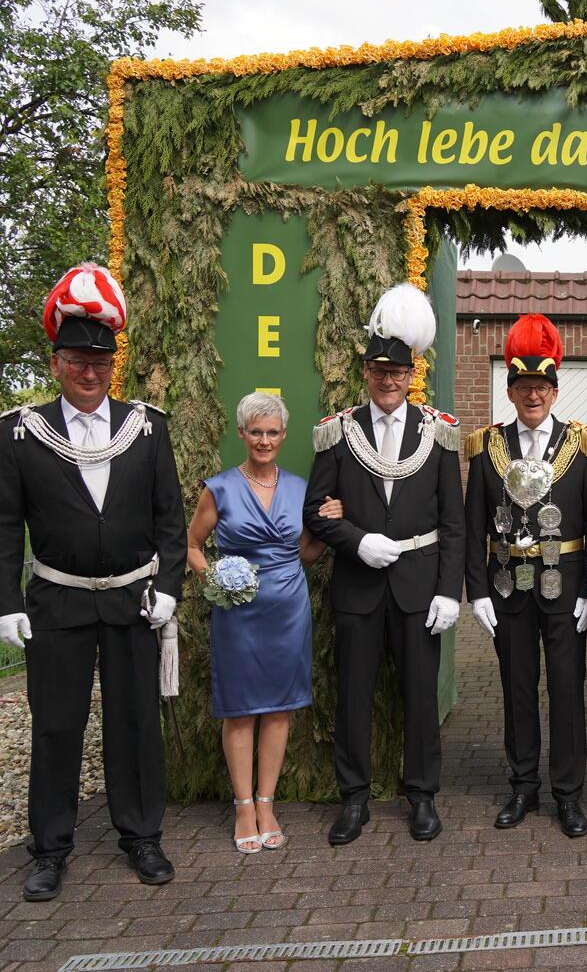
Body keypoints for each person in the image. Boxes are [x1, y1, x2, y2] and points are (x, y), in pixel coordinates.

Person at [0, 264, 185, 901]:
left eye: (100, 362)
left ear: (113, 366)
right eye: (77, 360)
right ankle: (50, 849)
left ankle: (142, 836)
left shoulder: (147, 428)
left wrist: (169, 588)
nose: (89, 372)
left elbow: (170, 520)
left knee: (134, 723)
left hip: (133, 601)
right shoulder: (20, 434)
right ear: (56, 364)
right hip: (57, 602)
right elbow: (5, 525)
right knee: (56, 727)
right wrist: (6, 603)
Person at [303, 283, 466, 846]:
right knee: (353, 696)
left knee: (420, 696)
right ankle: (354, 799)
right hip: (358, 585)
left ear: (411, 373)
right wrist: (356, 541)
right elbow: (315, 511)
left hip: (419, 586)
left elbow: (453, 521)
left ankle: (422, 796)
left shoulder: (438, 432)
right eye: (378, 371)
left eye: (397, 371)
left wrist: (448, 590)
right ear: (366, 372)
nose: (388, 380)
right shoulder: (338, 431)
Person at [465, 313, 587, 838]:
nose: (533, 395)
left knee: (567, 691)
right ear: (509, 391)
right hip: (506, 586)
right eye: (523, 386)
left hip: (565, 586)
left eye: (541, 387)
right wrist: (476, 592)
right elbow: (472, 524)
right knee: (517, 688)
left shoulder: (582, 445)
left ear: (554, 390)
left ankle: (568, 794)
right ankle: (523, 786)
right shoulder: (487, 446)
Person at [187, 392, 343, 853]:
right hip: (238, 615)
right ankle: (242, 808)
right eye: (255, 431)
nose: (264, 440)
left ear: (283, 435)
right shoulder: (219, 488)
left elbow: (307, 553)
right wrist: (216, 580)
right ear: (241, 433)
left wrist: (331, 523)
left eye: (272, 432)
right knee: (239, 710)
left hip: (288, 611)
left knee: (278, 708)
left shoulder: (298, 488)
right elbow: (191, 546)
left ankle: (267, 803)